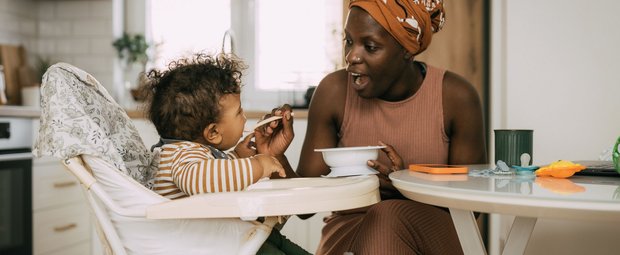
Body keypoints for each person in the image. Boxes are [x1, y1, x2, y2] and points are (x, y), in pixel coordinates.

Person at [296, 0, 487, 254]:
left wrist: (404, 184)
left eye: (370, 46)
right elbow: (304, 210)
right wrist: (274, 158)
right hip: (350, 231)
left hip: (433, 232)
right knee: (382, 219)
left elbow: (473, 208)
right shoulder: (333, 92)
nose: (352, 56)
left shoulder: (456, 98)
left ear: (407, 49)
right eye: (349, 41)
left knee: (387, 216)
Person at [142, 52, 309, 255]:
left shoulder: (191, 153)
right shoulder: (181, 155)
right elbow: (199, 180)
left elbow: (212, 174)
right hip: (208, 247)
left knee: (274, 241)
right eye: (239, 112)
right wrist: (258, 165)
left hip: (225, 241)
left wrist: (238, 156)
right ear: (213, 132)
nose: (245, 118)